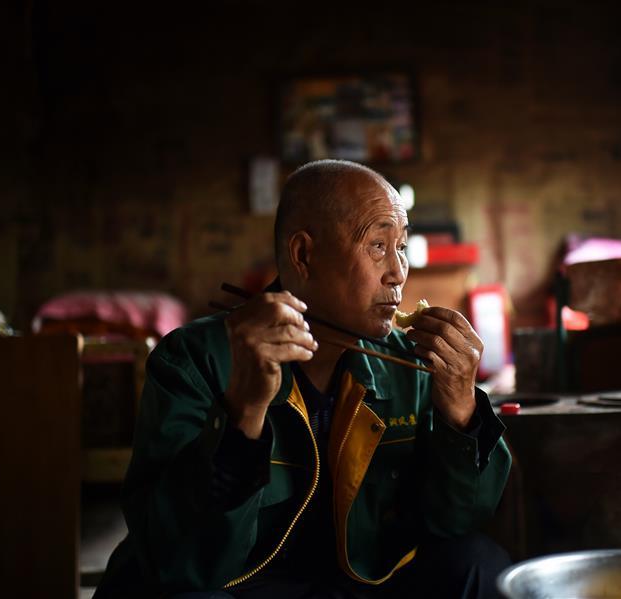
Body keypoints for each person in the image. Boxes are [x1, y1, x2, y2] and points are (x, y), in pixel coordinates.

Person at [95, 160, 512, 598]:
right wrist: (244, 412)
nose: (398, 272)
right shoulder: (195, 359)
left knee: (478, 567)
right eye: (377, 246)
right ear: (304, 255)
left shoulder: (408, 362)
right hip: (241, 587)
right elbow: (177, 558)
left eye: (401, 246)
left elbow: (455, 521)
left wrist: (461, 409)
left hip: (356, 584)